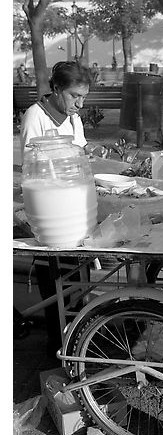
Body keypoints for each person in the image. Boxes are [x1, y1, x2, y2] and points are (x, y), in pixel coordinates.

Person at [20, 61, 92, 359]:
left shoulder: (73, 119)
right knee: (54, 278)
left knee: (79, 271)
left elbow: (81, 152)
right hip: (50, 209)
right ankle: (56, 342)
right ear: (57, 89)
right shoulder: (35, 117)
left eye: (84, 97)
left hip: (74, 206)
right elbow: (32, 168)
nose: (80, 103)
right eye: (75, 96)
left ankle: (81, 333)